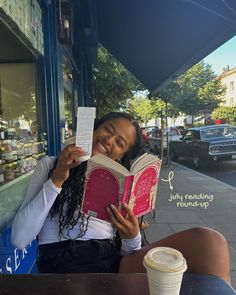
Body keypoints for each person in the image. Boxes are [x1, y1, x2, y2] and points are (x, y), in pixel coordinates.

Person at [11, 112, 235, 294]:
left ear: (120, 156)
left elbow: (130, 252)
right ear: (96, 127)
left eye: (120, 142)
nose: (108, 141)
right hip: (66, 261)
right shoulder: (50, 165)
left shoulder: (119, 185)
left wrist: (132, 236)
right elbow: (20, 239)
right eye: (108, 130)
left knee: (209, 242)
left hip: (114, 259)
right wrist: (58, 178)